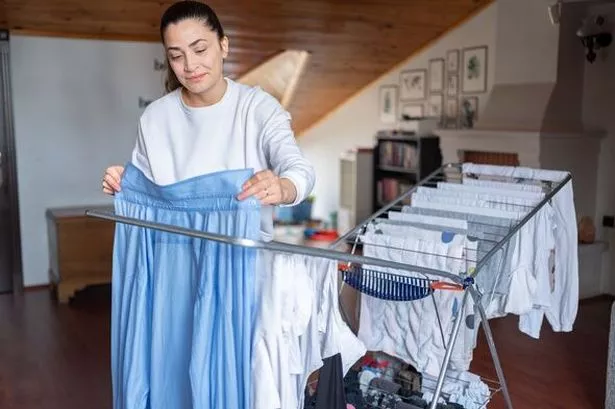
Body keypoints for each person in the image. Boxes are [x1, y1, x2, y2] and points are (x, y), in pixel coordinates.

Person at [101, 0, 315, 240]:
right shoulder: (155, 117)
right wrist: (125, 183)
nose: (190, 65)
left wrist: (284, 187)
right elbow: (147, 197)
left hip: (243, 264)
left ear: (223, 45)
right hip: (175, 257)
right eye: (176, 56)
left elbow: (300, 170)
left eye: (200, 50)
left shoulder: (257, 108)